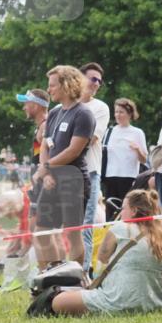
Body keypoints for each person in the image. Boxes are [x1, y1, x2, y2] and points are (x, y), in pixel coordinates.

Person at [48, 190, 162, 316]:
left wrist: (93, 284)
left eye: (123, 209)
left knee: (57, 301)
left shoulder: (120, 228)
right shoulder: (160, 236)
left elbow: (100, 267)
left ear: (134, 211)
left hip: (118, 300)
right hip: (153, 303)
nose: (120, 213)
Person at [34, 65, 95, 267]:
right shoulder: (53, 113)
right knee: (42, 231)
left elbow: (73, 151)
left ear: (67, 85)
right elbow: (45, 144)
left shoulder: (83, 114)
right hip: (52, 179)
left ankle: (75, 279)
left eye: (52, 85)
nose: (49, 90)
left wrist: (46, 167)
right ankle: (51, 275)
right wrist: (46, 173)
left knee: (73, 234)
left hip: (74, 180)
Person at [79, 62, 110, 273]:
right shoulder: (61, 107)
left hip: (89, 172)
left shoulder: (100, 108)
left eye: (99, 80)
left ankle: (84, 272)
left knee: (85, 226)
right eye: (92, 78)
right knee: (68, 226)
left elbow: (90, 139)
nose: (96, 83)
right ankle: (65, 270)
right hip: (64, 174)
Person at [101, 98, 147, 220]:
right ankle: (109, 235)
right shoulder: (109, 131)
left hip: (128, 176)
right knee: (110, 210)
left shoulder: (137, 133)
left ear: (130, 114)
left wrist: (137, 149)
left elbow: (144, 159)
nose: (118, 115)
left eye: (121, 112)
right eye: (116, 112)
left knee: (127, 208)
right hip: (110, 176)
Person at [17, 87, 49, 248]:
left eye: (26, 103)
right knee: (34, 228)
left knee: (41, 230)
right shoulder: (41, 126)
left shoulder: (46, 126)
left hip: (44, 184)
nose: (24, 107)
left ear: (36, 106)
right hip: (38, 184)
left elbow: (49, 157)